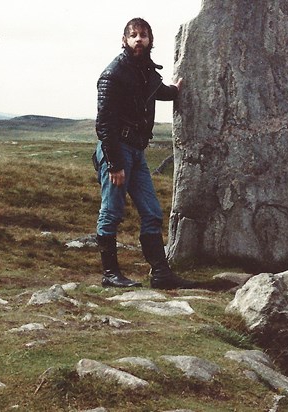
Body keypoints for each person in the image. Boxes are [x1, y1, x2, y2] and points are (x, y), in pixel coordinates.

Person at [94, 17, 196, 289]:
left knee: (151, 212)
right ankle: (110, 274)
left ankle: (161, 274)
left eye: (143, 35)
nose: (139, 39)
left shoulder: (144, 71)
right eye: (134, 35)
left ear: (150, 40)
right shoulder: (113, 73)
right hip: (117, 151)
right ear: (124, 40)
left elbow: (157, 91)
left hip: (137, 152)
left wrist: (175, 90)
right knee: (112, 211)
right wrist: (114, 163)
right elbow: (104, 123)